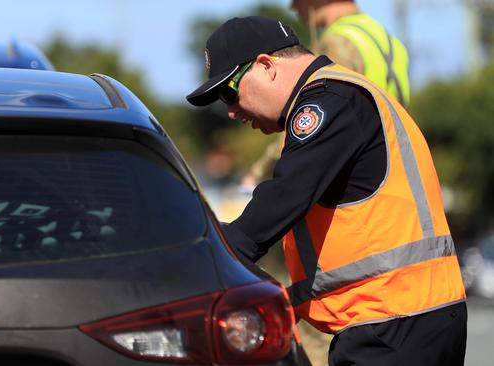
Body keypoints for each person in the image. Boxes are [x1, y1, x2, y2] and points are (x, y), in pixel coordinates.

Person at [186, 16, 466, 366]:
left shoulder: (329, 100)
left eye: (230, 91)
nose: (231, 111)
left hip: (392, 322)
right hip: (409, 316)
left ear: (266, 66)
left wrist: (204, 261)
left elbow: (284, 197)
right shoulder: (347, 95)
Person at [243, 0, 410, 188]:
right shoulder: (387, 39)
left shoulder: (338, 41)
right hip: (392, 163)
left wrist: (261, 172)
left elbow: (313, 115)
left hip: (358, 177)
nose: (293, 7)